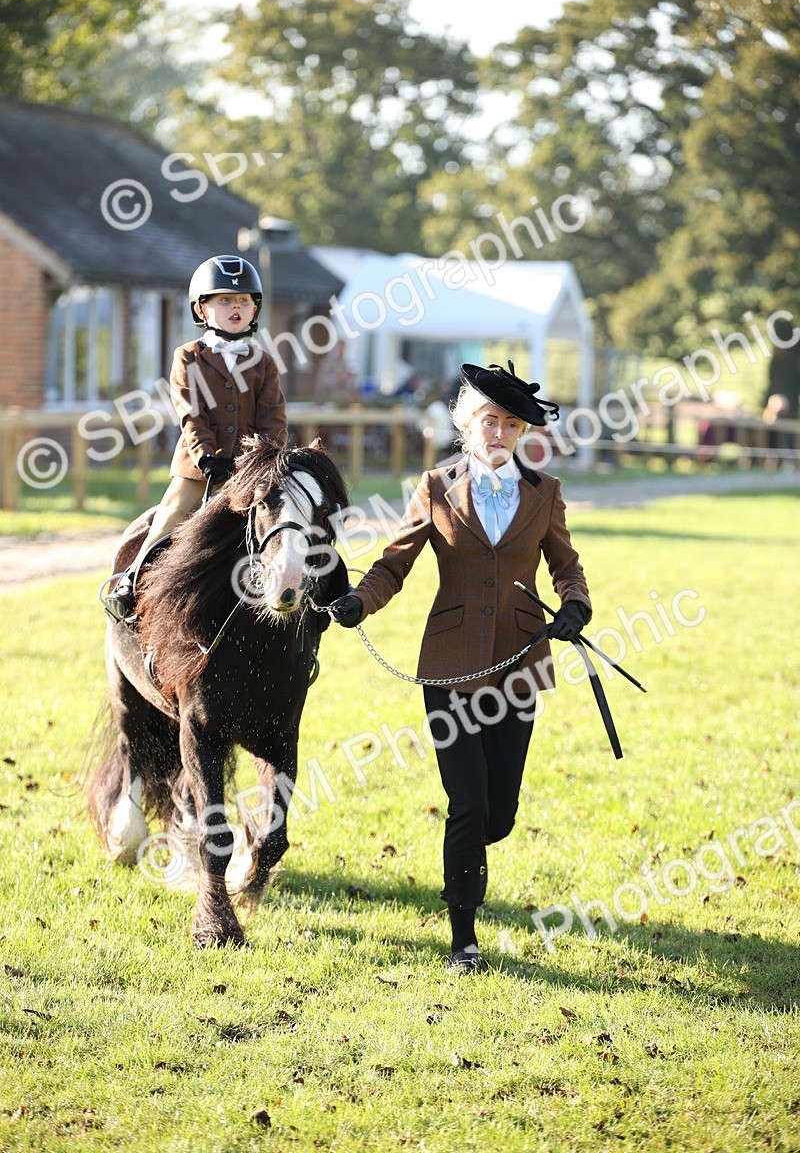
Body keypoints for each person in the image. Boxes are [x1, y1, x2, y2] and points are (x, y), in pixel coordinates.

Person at [330, 361, 592, 973]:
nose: (496, 432)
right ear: (463, 425)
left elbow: (566, 564)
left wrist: (577, 603)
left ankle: (471, 864)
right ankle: (463, 936)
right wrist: (356, 602)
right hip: (448, 668)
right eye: (485, 421)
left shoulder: (545, 491)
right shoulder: (435, 485)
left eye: (507, 422)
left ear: (521, 428)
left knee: (499, 815)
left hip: (521, 666)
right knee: (468, 804)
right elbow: (395, 563)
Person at [103, 255, 287, 621]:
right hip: (199, 465)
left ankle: (322, 587)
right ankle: (132, 578)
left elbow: (273, 417)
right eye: (225, 300)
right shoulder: (188, 356)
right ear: (202, 308)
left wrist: (266, 460)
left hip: (253, 469)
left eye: (244, 301)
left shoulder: (263, 362)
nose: (236, 308)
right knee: (173, 509)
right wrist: (205, 456)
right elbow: (191, 412)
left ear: (255, 309)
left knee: (296, 516)